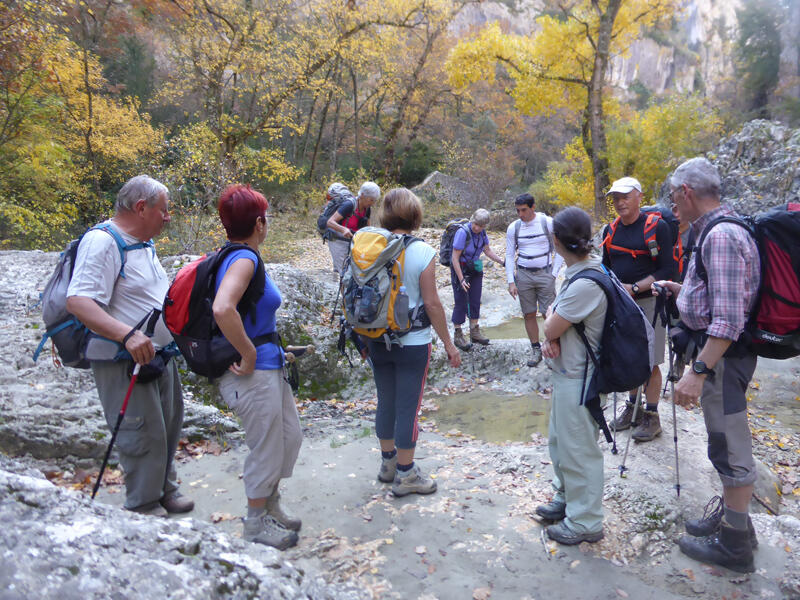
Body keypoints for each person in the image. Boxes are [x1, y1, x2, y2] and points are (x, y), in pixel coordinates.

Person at [653, 157, 760, 573]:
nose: (672, 206)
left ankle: (735, 546)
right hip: (722, 357)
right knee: (722, 440)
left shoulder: (721, 236)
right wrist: (682, 291)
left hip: (722, 359)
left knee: (730, 445)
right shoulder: (718, 230)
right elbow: (719, 295)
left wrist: (697, 372)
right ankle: (738, 524)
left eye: (673, 197)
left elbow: (729, 320)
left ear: (687, 193)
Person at [66, 175, 193, 517]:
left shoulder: (142, 242)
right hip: (123, 359)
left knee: (167, 425)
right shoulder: (102, 242)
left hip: (158, 356)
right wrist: (127, 335)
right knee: (140, 432)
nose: (168, 217)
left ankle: (165, 490)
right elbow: (78, 301)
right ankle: (143, 505)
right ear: (141, 208)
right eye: (163, 210)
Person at [212, 184, 303, 550]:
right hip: (252, 374)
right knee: (266, 447)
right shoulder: (244, 260)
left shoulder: (238, 256)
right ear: (259, 223)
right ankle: (255, 524)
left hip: (270, 366)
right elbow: (222, 308)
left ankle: (270, 503)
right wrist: (248, 353)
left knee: (289, 438)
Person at [366, 188, 461, 496]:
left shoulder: (371, 247)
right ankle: (406, 475)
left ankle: (388, 464)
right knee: (408, 407)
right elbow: (432, 304)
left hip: (376, 338)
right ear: (415, 216)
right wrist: (449, 344)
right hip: (413, 342)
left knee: (386, 401)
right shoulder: (422, 252)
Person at [537, 206, 607, 545]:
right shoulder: (582, 271)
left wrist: (551, 331)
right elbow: (555, 318)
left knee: (579, 449)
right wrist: (552, 330)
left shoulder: (586, 282)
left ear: (555, 241)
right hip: (570, 373)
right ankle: (565, 497)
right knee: (560, 441)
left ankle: (586, 521)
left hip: (581, 378)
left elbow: (551, 323)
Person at [601, 177, 677, 442]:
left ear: (639, 197)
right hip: (622, 304)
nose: (619, 202)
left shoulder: (658, 228)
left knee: (651, 360)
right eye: (615, 198)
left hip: (651, 302)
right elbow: (606, 266)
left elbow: (667, 269)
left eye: (625, 197)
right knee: (629, 356)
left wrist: (633, 288)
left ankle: (652, 415)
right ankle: (633, 407)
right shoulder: (611, 230)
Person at [505, 193, 564, 367]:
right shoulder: (514, 228)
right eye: (517, 211)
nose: (520, 214)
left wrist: (553, 274)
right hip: (523, 274)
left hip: (545, 272)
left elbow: (559, 249)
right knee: (528, 313)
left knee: (549, 312)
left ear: (533, 207)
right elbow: (509, 255)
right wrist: (511, 281)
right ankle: (536, 349)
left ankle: (553, 347)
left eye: (524, 210)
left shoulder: (547, 223)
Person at [450, 208, 505, 350]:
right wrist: (461, 279)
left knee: (475, 299)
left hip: (475, 266)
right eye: (475, 224)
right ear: (472, 220)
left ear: (485, 226)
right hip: (461, 267)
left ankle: (474, 331)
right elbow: (454, 258)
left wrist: (502, 262)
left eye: (480, 226)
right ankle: (458, 334)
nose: (477, 228)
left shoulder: (482, 233)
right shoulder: (462, 232)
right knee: (461, 300)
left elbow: (487, 250)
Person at [326, 181, 380, 275]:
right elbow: (330, 222)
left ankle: (335, 282)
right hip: (338, 240)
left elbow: (368, 228)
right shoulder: (349, 205)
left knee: (343, 270)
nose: (373, 203)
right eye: (371, 200)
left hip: (352, 242)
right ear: (362, 195)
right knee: (344, 272)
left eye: (374, 200)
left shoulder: (367, 209)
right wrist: (343, 229)